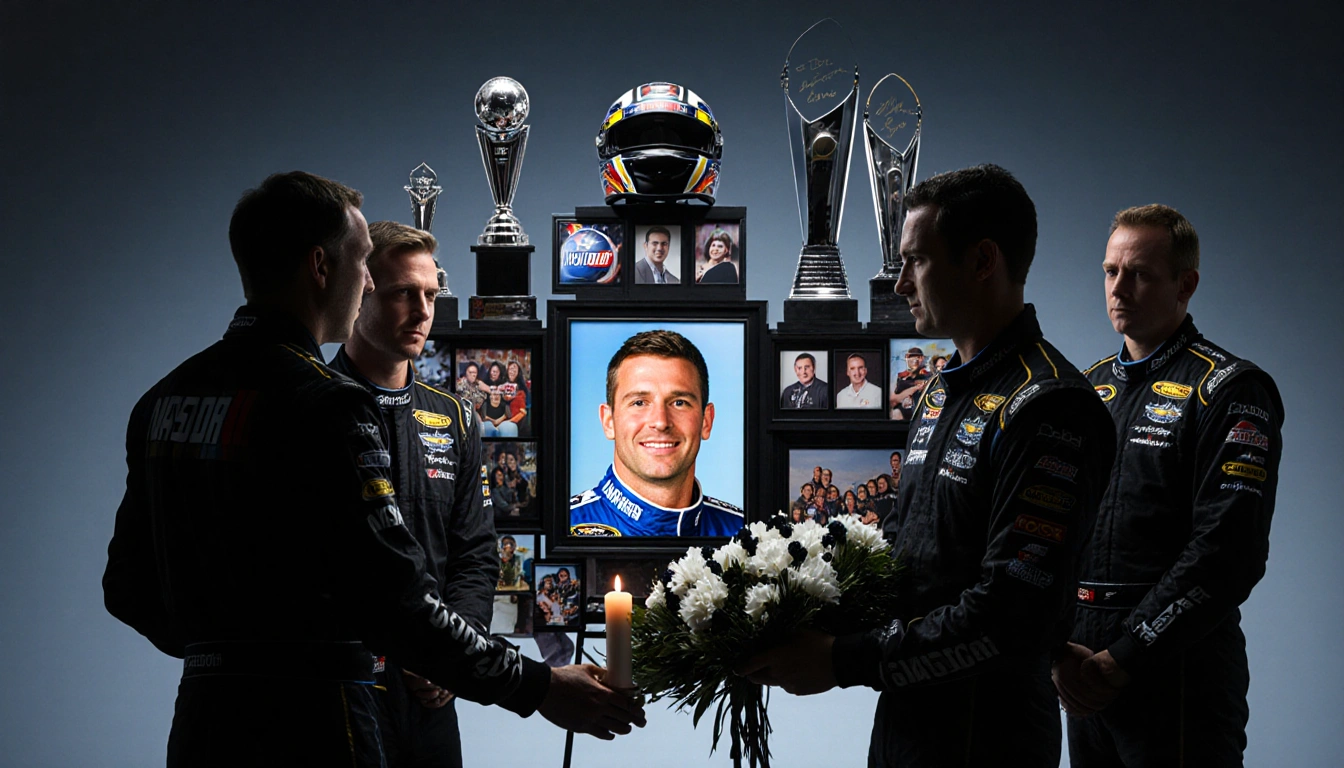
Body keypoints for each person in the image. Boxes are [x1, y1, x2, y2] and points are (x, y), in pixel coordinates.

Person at [101, 172, 644, 767]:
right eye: (364, 264)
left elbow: (128, 589)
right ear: (320, 266)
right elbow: (396, 599)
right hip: (319, 719)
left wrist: (229, 651)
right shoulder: (323, 402)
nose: (367, 283)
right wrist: (538, 687)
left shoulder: (163, 399)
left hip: (206, 720)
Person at [739, 164, 1115, 767]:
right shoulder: (940, 392)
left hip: (987, 740)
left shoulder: (1052, 407)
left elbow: (1008, 618)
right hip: (905, 727)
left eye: (917, 261)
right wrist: (781, 612)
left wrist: (840, 659)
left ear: (982, 260)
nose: (899, 284)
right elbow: (906, 559)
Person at [1056, 204, 1284, 766]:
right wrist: (1058, 653)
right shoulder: (1083, 390)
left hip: (1179, 668)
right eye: (1110, 271)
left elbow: (1229, 551)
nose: (1119, 287)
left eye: (1139, 273)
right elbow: (1052, 531)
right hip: (1081, 666)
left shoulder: (1232, 389)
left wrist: (1128, 653)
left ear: (1187, 285)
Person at [329, 220, 499, 768]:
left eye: (430, 294)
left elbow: (475, 554)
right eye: (404, 293)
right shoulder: (313, 403)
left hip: (430, 696)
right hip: (337, 692)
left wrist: (453, 652)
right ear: (361, 294)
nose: (423, 310)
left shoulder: (453, 417)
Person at [570, 330, 744, 536]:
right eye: (639, 403)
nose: (661, 422)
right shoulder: (562, 525)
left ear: (706, 421)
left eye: (679, 403)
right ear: (609, 422)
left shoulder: (746, 535)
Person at [890, 347, 932, 420]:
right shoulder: (900, 377)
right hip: (902, 412)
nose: (914, 361)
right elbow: (893, 399)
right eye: (911, 357)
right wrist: (916, 388)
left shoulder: (929, 376)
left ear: (922, 358)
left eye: (918, 358)